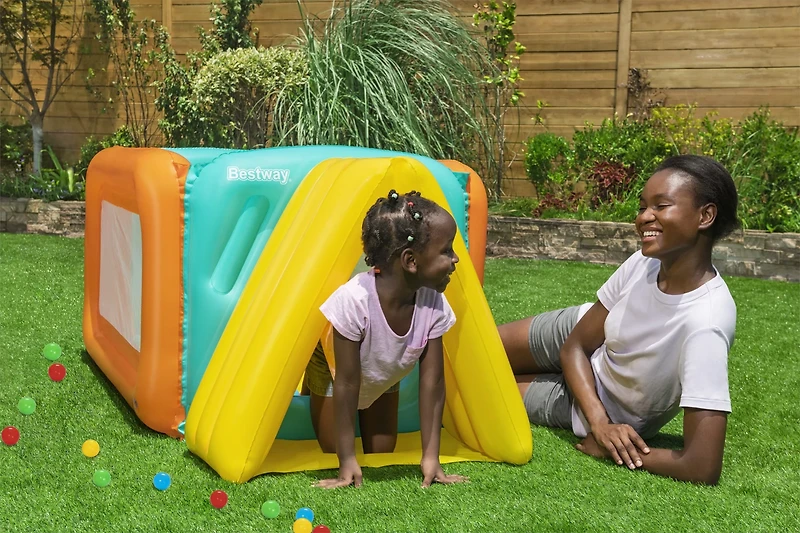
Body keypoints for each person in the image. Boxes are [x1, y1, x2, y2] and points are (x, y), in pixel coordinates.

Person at [499, 155, 739, 485]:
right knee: (475, 348)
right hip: (581, 339)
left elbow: (702, 466)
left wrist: (614, 440)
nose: (644, 218)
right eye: (642, 207)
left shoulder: (705, 323)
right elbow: (575, 346)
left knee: (479, 388)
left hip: (595, 403)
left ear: (705, 215)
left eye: (661, 205)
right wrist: (600, 425)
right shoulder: (645, 261)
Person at [305, 189, 468, 489]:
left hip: (384, 368)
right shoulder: (354, 301)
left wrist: (431, 457)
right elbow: (347, 382)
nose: (456, 258)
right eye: (447, 250)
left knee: (381, 453)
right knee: (333, 452)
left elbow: (433, 384)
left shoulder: (432, 304)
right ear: (411, 261)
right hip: (333, 369)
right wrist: (346, 461)